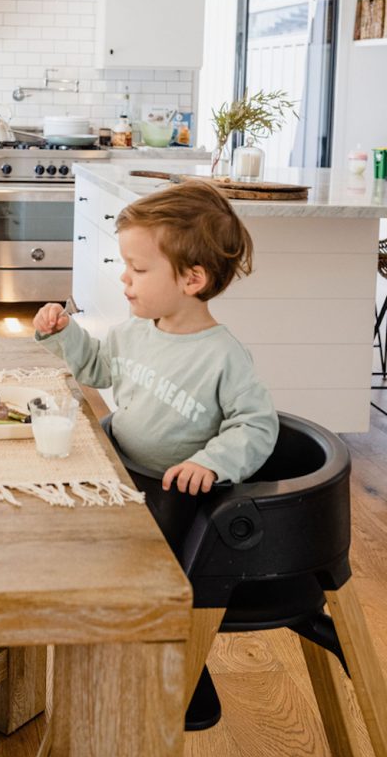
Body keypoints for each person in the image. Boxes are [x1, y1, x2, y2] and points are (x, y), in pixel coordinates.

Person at [33, 179, 278, 550]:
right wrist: (66, 333)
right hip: (118, 470)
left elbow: (256, 425)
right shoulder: (132, 332)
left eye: (139, 269)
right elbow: (97, 369)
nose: (124, 276)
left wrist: (211, 463)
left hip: (174, 499)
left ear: (192, 279)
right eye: (125, 265)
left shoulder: (223, 356)